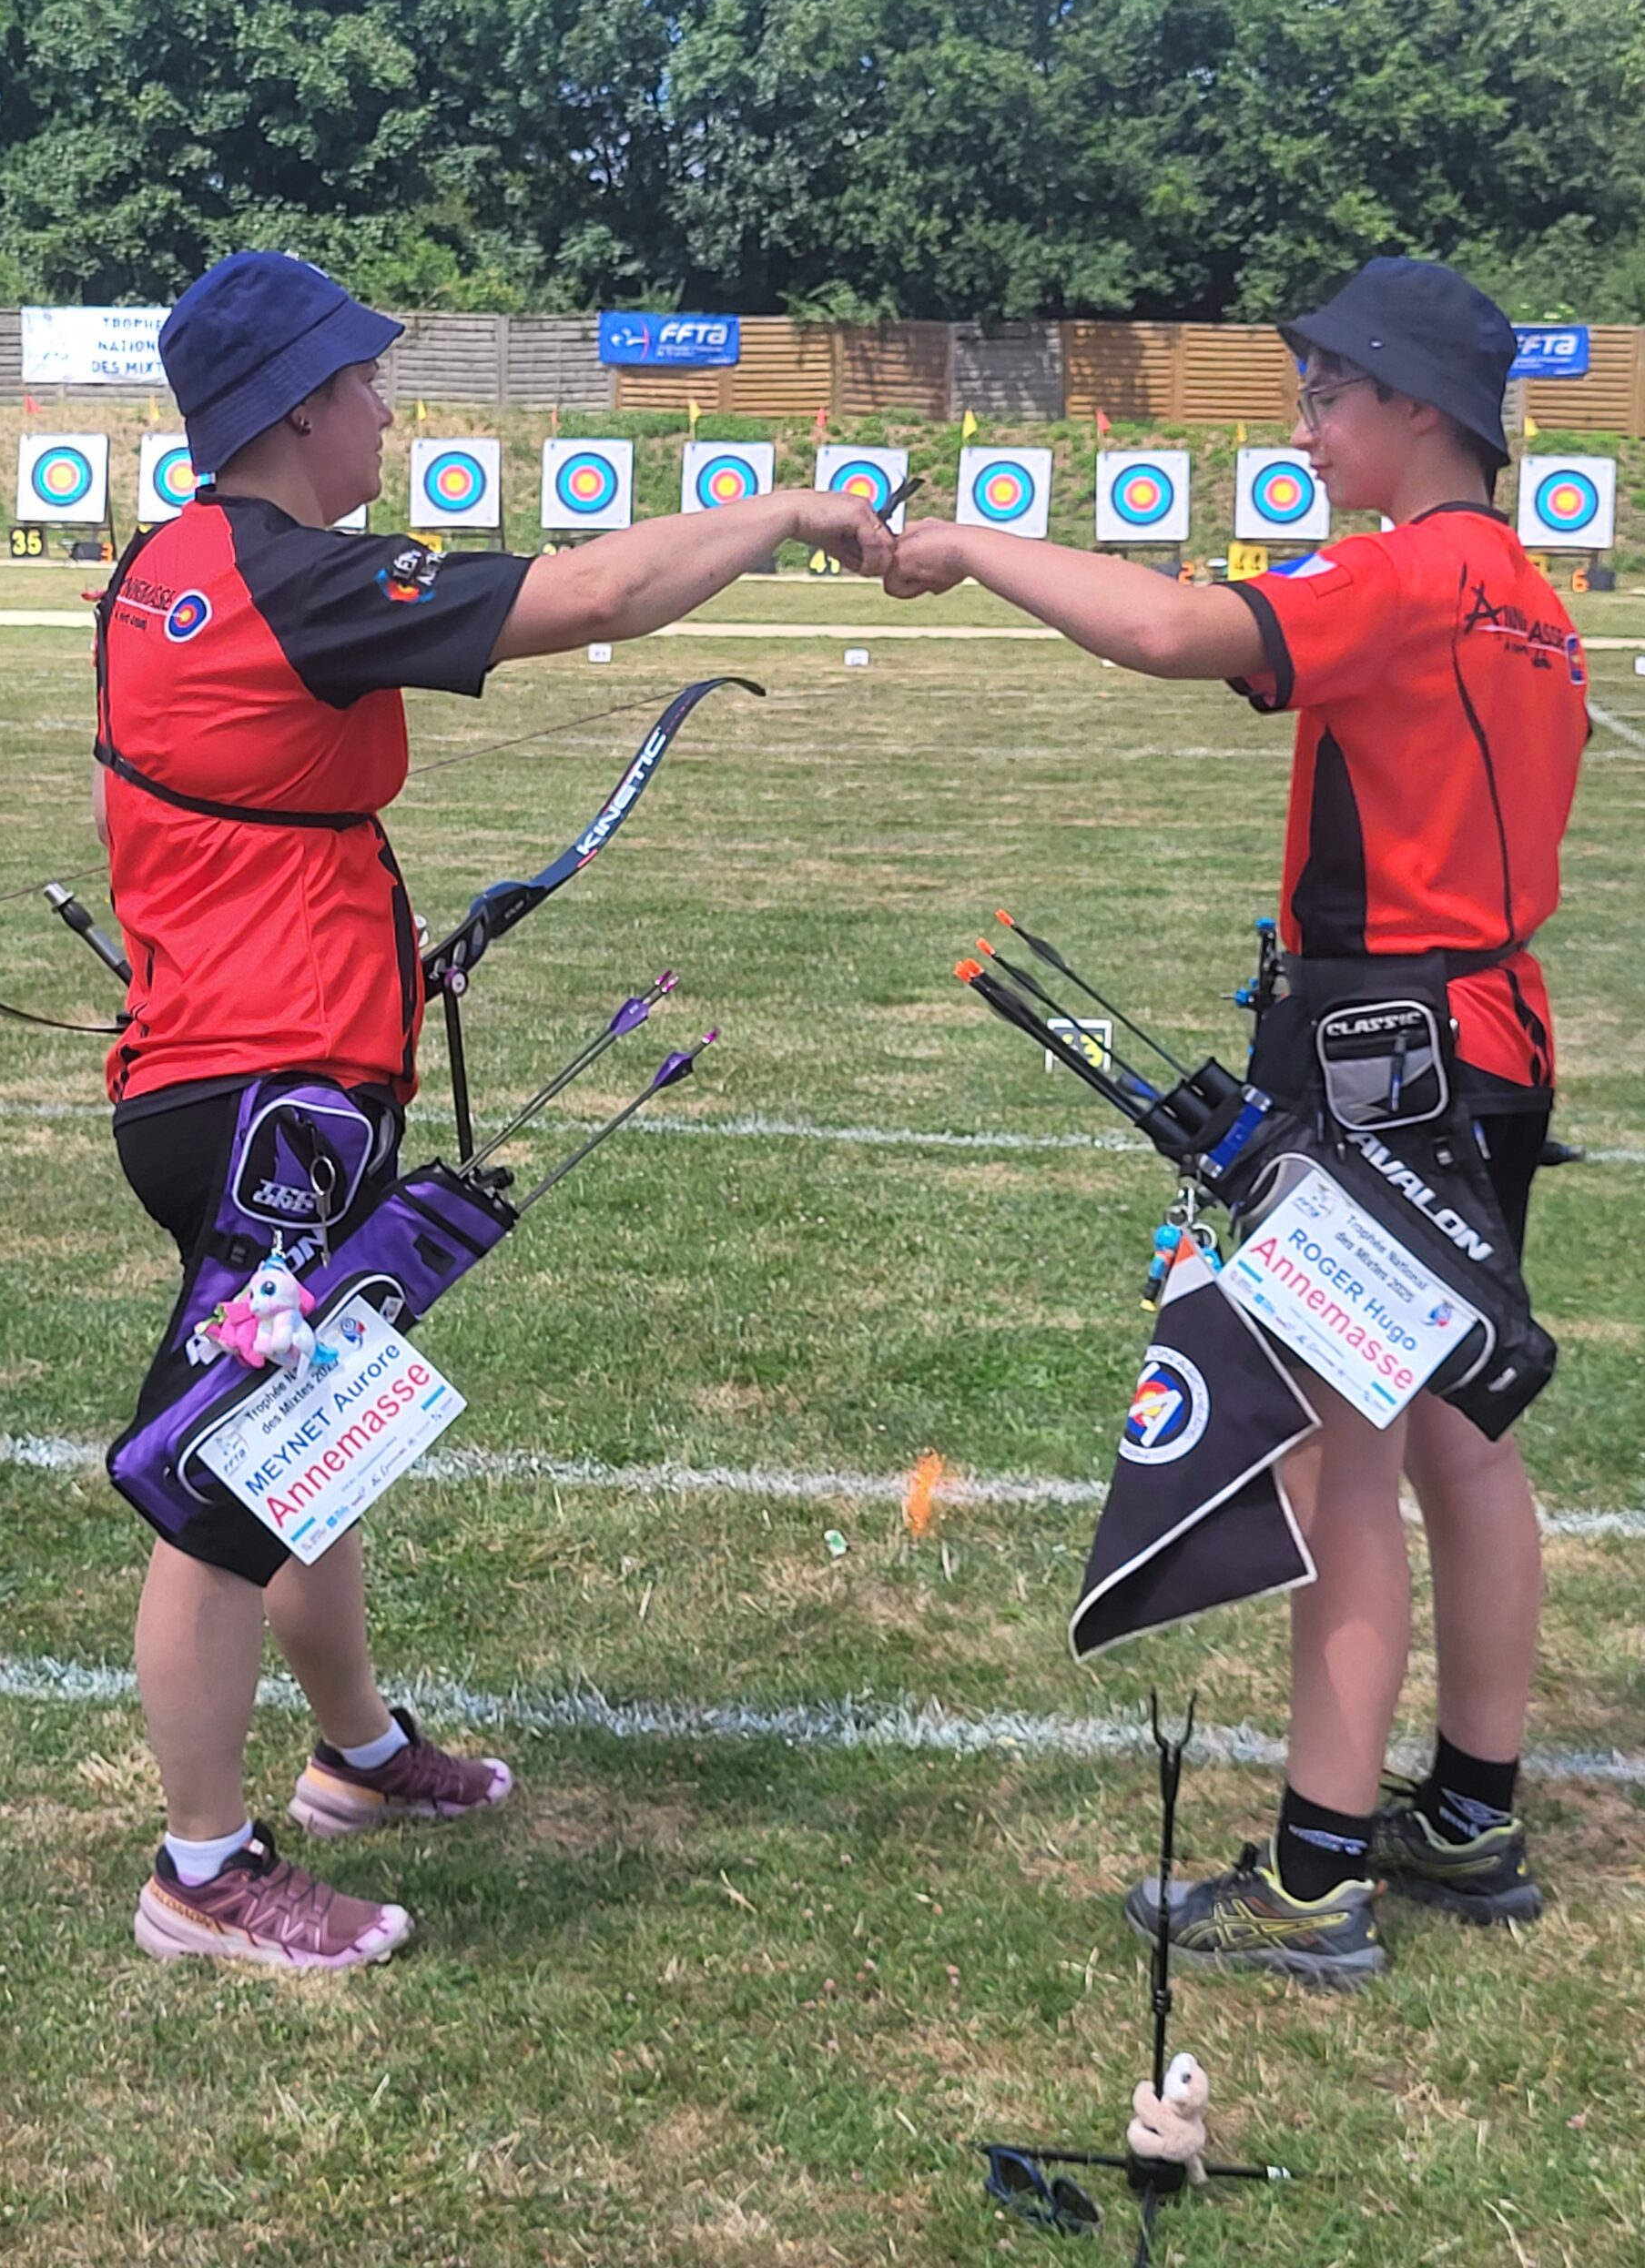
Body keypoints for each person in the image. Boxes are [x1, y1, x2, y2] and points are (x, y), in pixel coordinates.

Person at [100, 249, 892, 1971]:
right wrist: (786, 509)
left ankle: (360, 1758)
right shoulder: (284, 575)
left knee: (313, 1425)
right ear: (296, 405)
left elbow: (250, 817)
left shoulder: (172, 568)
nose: (387, 408)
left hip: (249, 1066)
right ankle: (203, 1872)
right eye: (365, 383)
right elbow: (598, 595)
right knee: (230, 1476)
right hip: (266, 1097)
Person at [885, 258, 1588, 1989]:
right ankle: (1470, 1815)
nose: (1306, 423)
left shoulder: (1410, 574)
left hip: (1378, 1062)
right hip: (1484, 1042)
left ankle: (1315, 1878)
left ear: (1419, 408)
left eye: (1332, 394)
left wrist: (968, 543)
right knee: (1456, 1436)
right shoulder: (1528, 596)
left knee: (1346, 1447)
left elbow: (1169, 630)